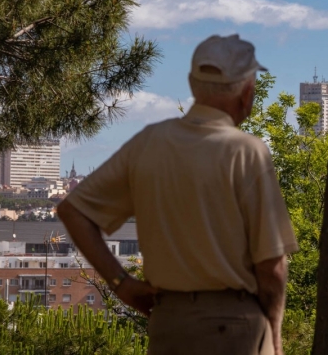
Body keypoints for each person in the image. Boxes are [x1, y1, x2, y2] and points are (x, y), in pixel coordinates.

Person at [58, 34, 299, 355]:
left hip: (169, 324)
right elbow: (272, 266)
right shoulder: (247, 152)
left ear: (191, 83)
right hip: (236, 329)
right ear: (247, 93)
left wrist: (122, 284)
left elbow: (74, 211)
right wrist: (275, 337)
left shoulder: (149, 143)